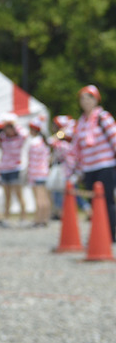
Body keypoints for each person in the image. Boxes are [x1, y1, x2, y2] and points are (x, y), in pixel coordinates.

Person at [72, 84, 116, 240]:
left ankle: (110, 233)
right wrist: (78, 170)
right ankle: (99, 233)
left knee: (107, 200)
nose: (86, 101)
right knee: (94, 201)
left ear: (96, 100)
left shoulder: (103, 117)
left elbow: (114, 139)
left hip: (105, 165)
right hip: (89, 167)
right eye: (83, 98)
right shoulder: (81, 122)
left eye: (89, 98)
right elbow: (78, 149)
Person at [0, 116, 27, 223]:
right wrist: (5, 124)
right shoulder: (3, 138)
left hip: (15, 169)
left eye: (10, 128)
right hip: (4, 169)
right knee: (7, 195)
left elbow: (24, 134)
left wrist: (14, 124)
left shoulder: (19, 139)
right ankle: (6, 217)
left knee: (18, 194)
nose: (8, 131)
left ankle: (23, 216)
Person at [26, 115, 52, 227]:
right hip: (44, 172)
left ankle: (38, 219)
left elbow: (32, 160)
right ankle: (45, 218)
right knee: (45, 197)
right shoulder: (44, 142)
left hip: (36, 173)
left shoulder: (34, 142)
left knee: (38, 198)